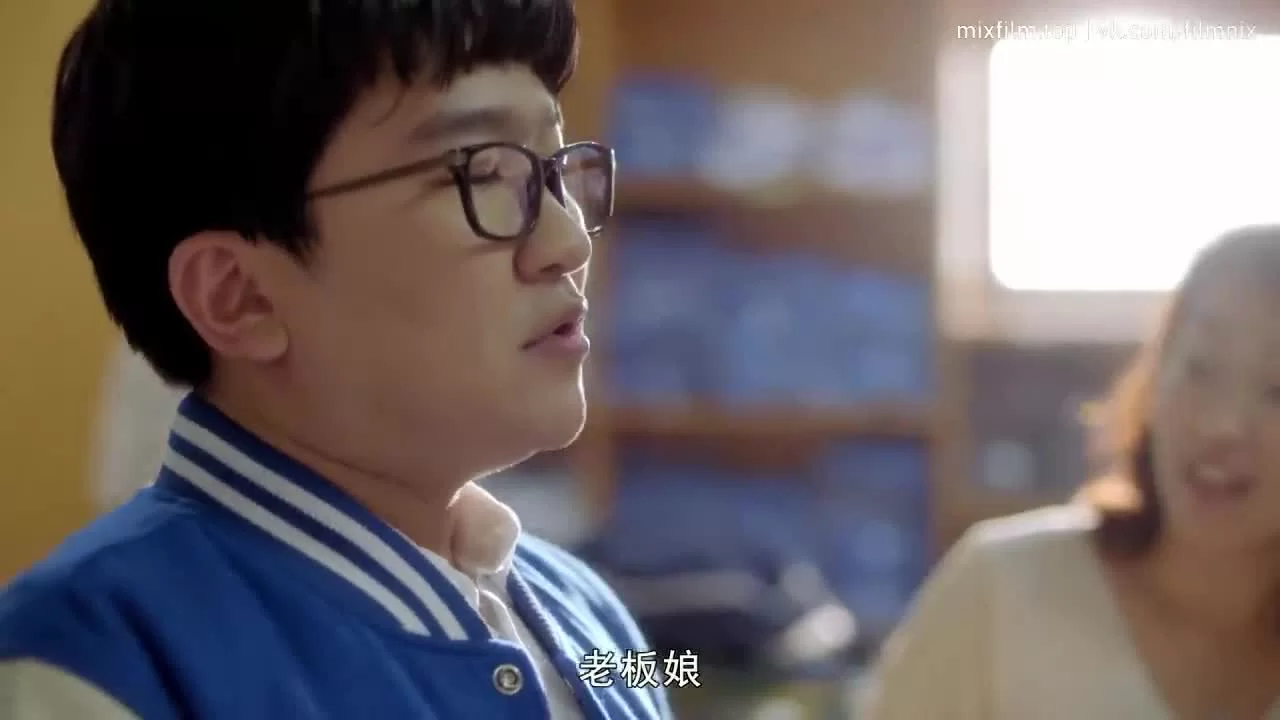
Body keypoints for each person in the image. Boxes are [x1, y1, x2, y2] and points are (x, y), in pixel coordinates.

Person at [0, 1, 673, 718]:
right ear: (240, 296)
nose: (569, 243)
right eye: (481, 175)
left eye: (554, 169)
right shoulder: (89, 664)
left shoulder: (590, 620)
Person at [862, 225, 1280, 719]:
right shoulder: (1002, 589)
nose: (1223, 425)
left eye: (1277, 391)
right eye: (1200, 367)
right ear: (1152, 381)